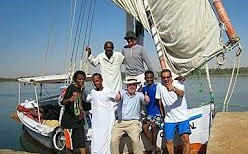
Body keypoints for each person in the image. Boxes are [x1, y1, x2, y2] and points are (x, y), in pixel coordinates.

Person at [156, 69, 191, 154]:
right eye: (164, 77)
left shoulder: (178, 83)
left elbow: (182, 94)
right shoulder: (159, 86)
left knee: (185, 138)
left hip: (182, 117)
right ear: (161, 78)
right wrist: (163, 115)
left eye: (168, 77)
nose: (166, 79)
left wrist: (174, 89)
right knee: (168, 142)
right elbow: (159, 102)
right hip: (169, 119)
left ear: (171, 77)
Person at [111, 78, 150, 154]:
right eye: (130, 85)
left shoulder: (139, 95)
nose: (132, 86)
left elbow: (145, 101)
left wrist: (146, 99)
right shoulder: (122, 92)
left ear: (136, 86)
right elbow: (118, 98)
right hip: (120, 122)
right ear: (127, 86)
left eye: (134, 85)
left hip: (133, 122)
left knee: (135, 140)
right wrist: (117, 97)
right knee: (113, 140)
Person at [86, 73, 118, 154]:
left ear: (101, 80)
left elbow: (117, 98)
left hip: (106, 120)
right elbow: (87, 99)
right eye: (94, 81)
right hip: (96, 121)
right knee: (96, 138)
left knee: (106, 138)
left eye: (97, 81)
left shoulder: (107, 91)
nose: (96, 83)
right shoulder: (92, 92)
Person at [61, 70, 89, 154]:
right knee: (70, 144)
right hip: (69, 121)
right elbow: (63, 102)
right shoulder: (71, 88)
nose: (81, 81)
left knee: (81, 141)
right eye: (79, 79)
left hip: (79, 120)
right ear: (75, 79)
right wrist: (70, 99)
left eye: (83, 79)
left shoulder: (81, 89)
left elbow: (82, 103)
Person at [142, 71, 162, 153]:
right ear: (145, 78)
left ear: (153, 78)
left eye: (151, 77)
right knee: (145, 127)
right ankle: (156, 148)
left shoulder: (158, 87)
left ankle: (154, 149)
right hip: (149, 114)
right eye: (147, 78)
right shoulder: (144, 89)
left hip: (157, 113)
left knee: (154, 126)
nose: (149, 79)